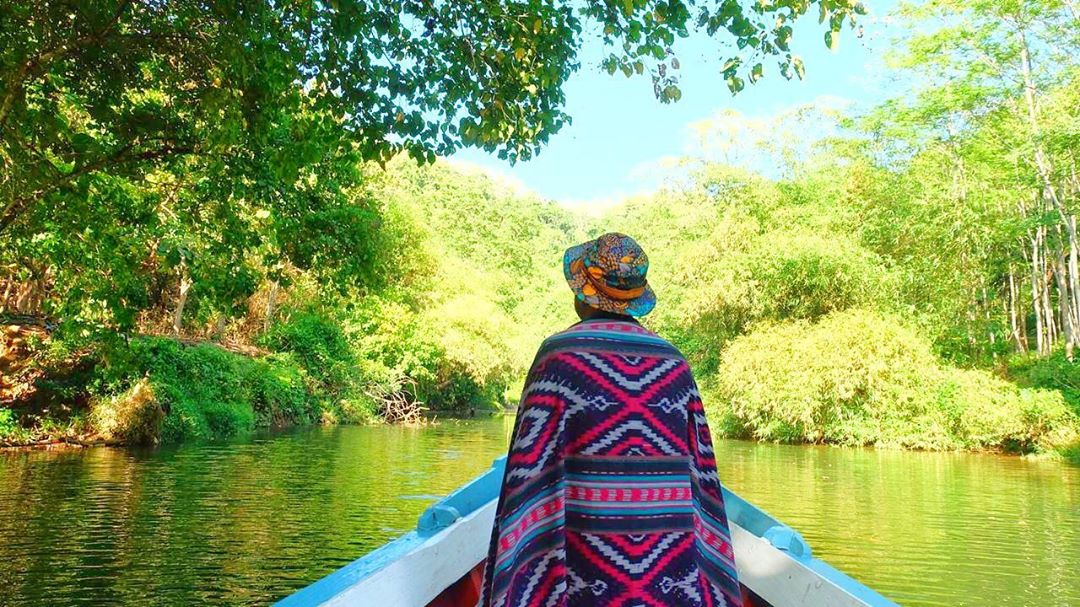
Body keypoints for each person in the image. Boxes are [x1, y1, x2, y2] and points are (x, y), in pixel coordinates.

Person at [479, 233, 743, 607]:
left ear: (581, 293)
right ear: (635, 298)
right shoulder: (675, 363)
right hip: (665, 579)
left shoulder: (559, 357)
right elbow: (703, 485)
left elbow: (526, 478)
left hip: (578, 571)